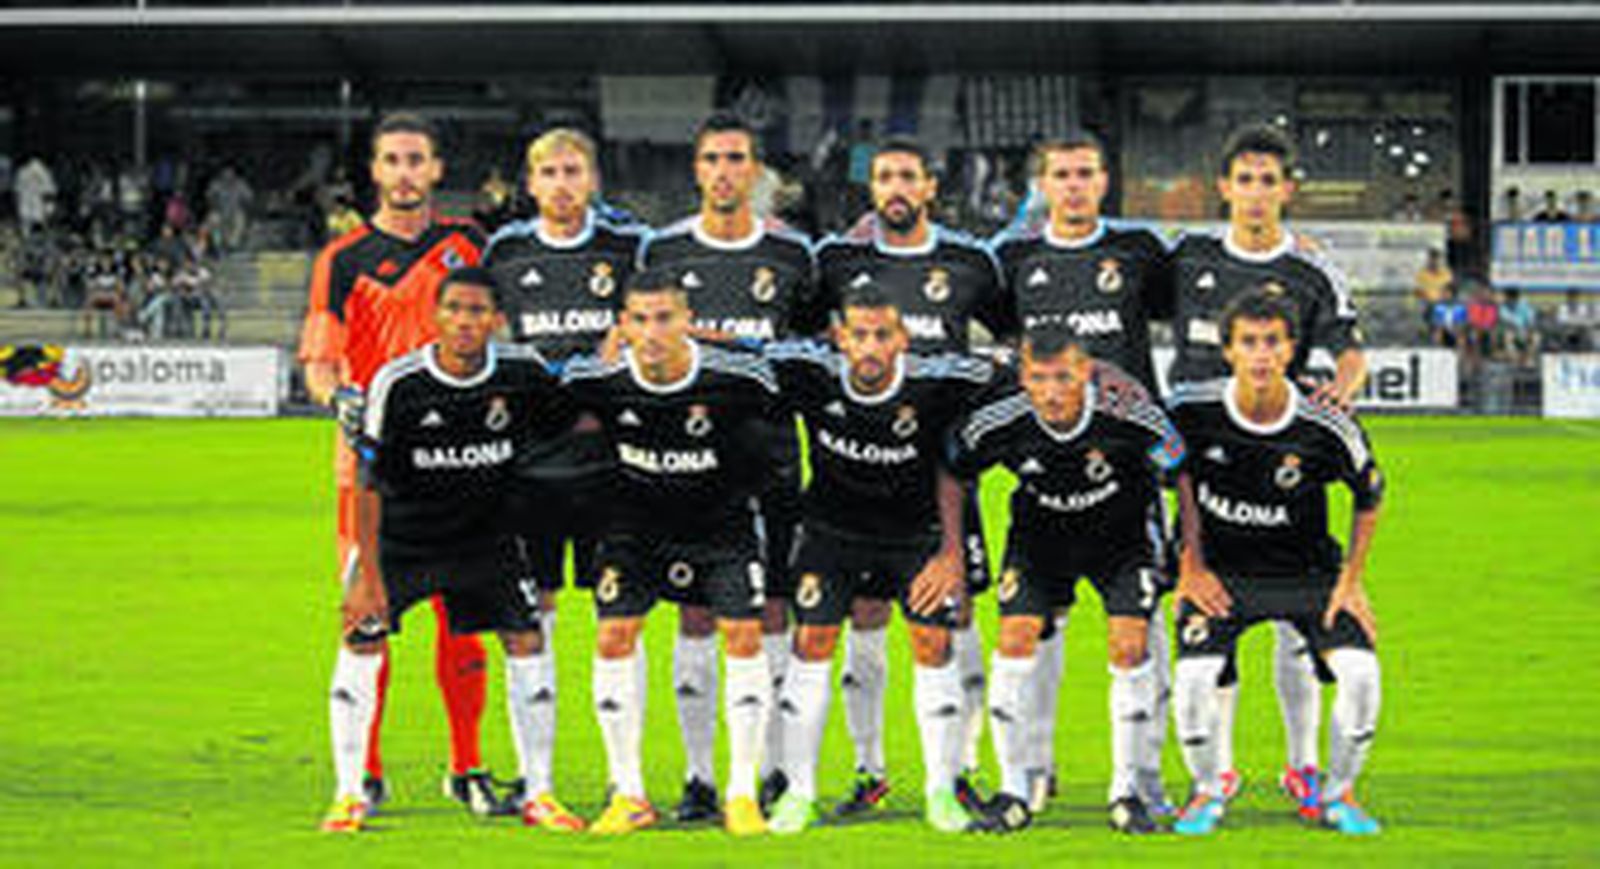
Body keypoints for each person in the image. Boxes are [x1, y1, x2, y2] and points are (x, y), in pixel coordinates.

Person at [320, 269, 585, 834]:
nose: (465, 321)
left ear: (497, 319)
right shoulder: (400, 383)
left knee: (527, 640)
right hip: (404, 538)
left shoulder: (522, 373)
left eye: (478, 311)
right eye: (455, 309)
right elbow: (366, 482)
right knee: (360, 634)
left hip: (487, 538)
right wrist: (368, 575)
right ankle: (348, 795)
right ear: (436, 315)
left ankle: (539, 792)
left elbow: (572, 424)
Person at [297, 112, 499, 817]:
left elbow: (497, 336)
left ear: (436, 169)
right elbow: (319, 363)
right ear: (375, 170)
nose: (405, 172)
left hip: (463, 463)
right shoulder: (342, 259)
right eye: (392, 160)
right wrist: (341, 400)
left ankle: (467, 766)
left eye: (416, 159)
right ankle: (367, 772)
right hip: (372, 470)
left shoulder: (470, 245)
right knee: (369, 614)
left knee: (463, 618)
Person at [1166, 123, 1367, 813]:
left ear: (1287, 190)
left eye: (1268, 181)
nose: (1255, 193)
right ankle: (1217, 772)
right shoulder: (1189, 256)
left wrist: (1340, 393)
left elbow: (1350, 351)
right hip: (1201, 464)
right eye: (1245, 180)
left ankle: (1301, 764)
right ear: (1225, 187)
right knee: (1210, 606)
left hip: (1285, 457)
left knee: (1293, 621)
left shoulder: (1312, 269)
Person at [815, 137, 1016, 815]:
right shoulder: (838, 261)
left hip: (944, 473)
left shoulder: (969, 261)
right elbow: (807, 337)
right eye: (884, 177)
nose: (896, 187)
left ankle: (961, 769)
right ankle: (868, 769)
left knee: (955, 611)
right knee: (864, 614)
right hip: (863, 471)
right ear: (870, 188)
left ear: (930, 186)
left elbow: (1011, 340)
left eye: (908, 175)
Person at [561, 271, 796, 836]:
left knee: (742, 636)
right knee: (613, 636)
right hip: (633, 529)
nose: (652, 333)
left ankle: (741, 793)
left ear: (688, 321)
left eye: (665, 318)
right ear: (622, 325)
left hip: (721, 527)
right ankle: (629, 794)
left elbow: (786, 423)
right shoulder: (595, 380)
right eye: (640, 320)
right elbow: (552, 411)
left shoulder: (739, 378)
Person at [636, 112, 820, 820]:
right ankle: (699, 778)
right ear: (696, 168)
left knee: (770, 609)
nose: (723, 171)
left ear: (755, 170)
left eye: (736, 158)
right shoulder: (663, 248)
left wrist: (727, 348)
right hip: (686, 464)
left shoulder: (793, 255)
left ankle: (769, 771)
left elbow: (809, 356)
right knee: (695, 613)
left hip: (770, 459)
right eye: (712, 158)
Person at [988, 132, 1176, 815]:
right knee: (1038, 624)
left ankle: (1143, 773)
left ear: (1104, 180)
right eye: (1061, 174)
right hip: (1047, 473)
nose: (1073, 185)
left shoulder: (1140, 250)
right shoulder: (1012, 260)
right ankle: (1034, 768)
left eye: (1085, 173)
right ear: (1042, 184)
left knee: (1141, 625)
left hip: (1130, 471)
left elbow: (1203, 297)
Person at [763, 286, 997, 834]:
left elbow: (1028, 371)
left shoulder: (940, 381)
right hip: (831, 536)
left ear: (902, 340)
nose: (870, 347)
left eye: (882, 336)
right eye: (859, 335)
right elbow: (740, 348)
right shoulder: (809, 372)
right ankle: (800, 793)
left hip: (915, 539)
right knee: (811, 644)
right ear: (840, 338)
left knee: (932, 645)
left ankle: (942, 791)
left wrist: (950, 552)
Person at [1167, 286, 1385, 837]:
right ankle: (1207, 791)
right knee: (1193, 680)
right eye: (1248, 342)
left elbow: (1370, 495)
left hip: (1309, 577)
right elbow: (1175, 479)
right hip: (1223, 576)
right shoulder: (1191, 411)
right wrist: (1191, 566)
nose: (1261, 355)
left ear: (1291, 350)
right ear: (1227, 350)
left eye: (1272, 342)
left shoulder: (1326, 421)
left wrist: (1351, 582)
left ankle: (1339, 794)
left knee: (1361, 676)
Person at [949, 330, 1184, 834]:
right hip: (1041, 539)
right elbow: (952, 468)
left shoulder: (1129, 415)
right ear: (1023, 378)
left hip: (1121, 538)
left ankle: (1126, 791)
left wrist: (1195, 561)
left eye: (1063, 377)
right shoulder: (1000, 420)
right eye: (1039, 378)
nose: (1052, 392)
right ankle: (1014, 791)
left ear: (1086, 373)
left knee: (1129, 647)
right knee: (1015, 640)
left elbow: (1181, 468)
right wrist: (950, 553)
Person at [481, 127, 643, 772]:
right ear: (530, 183)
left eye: (574, 171)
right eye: (549, 173)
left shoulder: (628, 248)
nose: (562, 184)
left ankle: (626, 783)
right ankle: (536, 780)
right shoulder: (505, 252)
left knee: (619, 619)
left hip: (611, 467)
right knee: (530, 619)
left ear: (593, 180)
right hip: (529, 469)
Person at [1412, 249, 1454, 339]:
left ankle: (1440, 333)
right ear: (1428, 260)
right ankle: (1424, 331)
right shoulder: (1422, 273)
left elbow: (1449, 289)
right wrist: (1422, 295)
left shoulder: (1445, 273)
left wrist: (1445, 295)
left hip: (1441, 300)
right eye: (1431, 259)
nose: (1434, 262)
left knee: (1444, 310)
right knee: (1420, 308)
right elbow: (1416, 290)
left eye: (1436, 259)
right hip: (1426, 301)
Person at [1499, 288, 1540, 365]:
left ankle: (1529, 359)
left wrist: (1529, 329)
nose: (1511, 301)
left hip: (1525, 329)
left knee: (1536, 337)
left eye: (1513, 298)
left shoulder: (1524, 305)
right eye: (1509, 298)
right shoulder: (1503, 307)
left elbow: (1531, 318)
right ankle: (1516, 360)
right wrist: (1519, 330)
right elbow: (1508, 321)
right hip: (1512, 330)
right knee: (1508, 337)